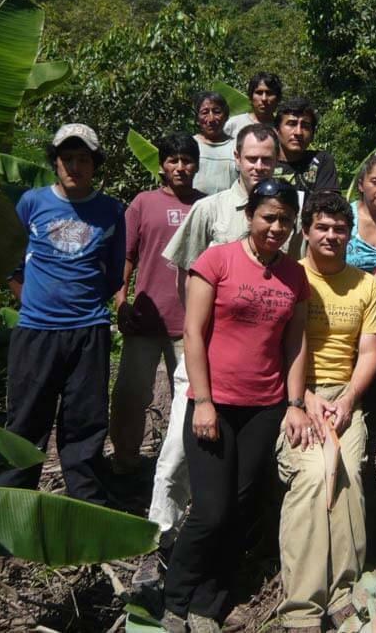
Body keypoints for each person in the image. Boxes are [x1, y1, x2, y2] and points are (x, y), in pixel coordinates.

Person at [160, 179, 311, 633]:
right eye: (268, 216)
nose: (276, 226)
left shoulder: (294, 274)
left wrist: (295, 402)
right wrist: (203, 401)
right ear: (249, 215)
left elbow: (296, 344)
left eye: (285, 219)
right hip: (215, 405)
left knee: (242, 508)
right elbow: (193, 334)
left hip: (264, 408)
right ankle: (175, 597)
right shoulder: (216, 260)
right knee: (211, 509)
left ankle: (210, 602)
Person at [133, 123, 279, 590]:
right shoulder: (210, 209)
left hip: (256, 360)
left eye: (267, 160)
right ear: (236, 159)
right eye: (251, 158)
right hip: (199, 349)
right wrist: (191, 332)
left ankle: (234, 554)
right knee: (178, 448)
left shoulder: (280, 209)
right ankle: (159, 540)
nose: (259, 166)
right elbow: (185, 276)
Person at [0, 124, 125, 505]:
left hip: (89, 332)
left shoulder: (111, 210)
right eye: (67, 158)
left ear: (95, 165)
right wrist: (31, 300)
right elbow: (9, 262)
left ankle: (86, 507)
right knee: (25, 420)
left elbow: (113, 273)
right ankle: (8, 507)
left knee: (85, 423)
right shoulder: (31, 203)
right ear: (55, 162)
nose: (75, 166)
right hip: (36, 332)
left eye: (84, 159)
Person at [276, 191, 376, 633]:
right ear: (305, 232)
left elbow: (369, 349)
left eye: (340, 228)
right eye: (322, 226)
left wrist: (348, 399)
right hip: (297, 397)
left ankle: (344, 592)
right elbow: (276, 344)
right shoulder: (290, 276)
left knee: (348, 474)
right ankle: (302, 606)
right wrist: (301, 398)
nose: (331, 235)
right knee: (313, 474)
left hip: (344, 398)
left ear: (350, 234)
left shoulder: (365, 284)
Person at [110, 133, 205, 475]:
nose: (180, 167)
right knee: (130, 396)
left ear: (197, 164)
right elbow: (126, 256)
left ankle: (187, 467)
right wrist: (122, 301)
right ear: (162, 165)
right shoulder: (143, 203)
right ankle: (125, 463)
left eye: (187, 160)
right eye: (173, 160)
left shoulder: (206, 205)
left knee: (193, 399)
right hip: (145, 320)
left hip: (192, 324)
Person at [272, 97, 338, 257]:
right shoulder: (264, 162)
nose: (298, 132)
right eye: (291, 124)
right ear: (276, 130)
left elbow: (327, 207)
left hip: (307, 249)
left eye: (305, 126)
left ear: (313, 134)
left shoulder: (321, 161)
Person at [193, 91, 238, 195]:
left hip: (226, 208)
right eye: (205, 112)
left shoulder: (237, 147)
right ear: (197, 118)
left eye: (217, 112)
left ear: (226, 116)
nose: (211, 119)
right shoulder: (191, 145)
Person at [223, 71, 283, 136]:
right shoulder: (233, 125)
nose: (264, 98)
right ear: (250, 96)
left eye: (269, 93)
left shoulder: (282, 129)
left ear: (278, 98)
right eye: (259, 93)